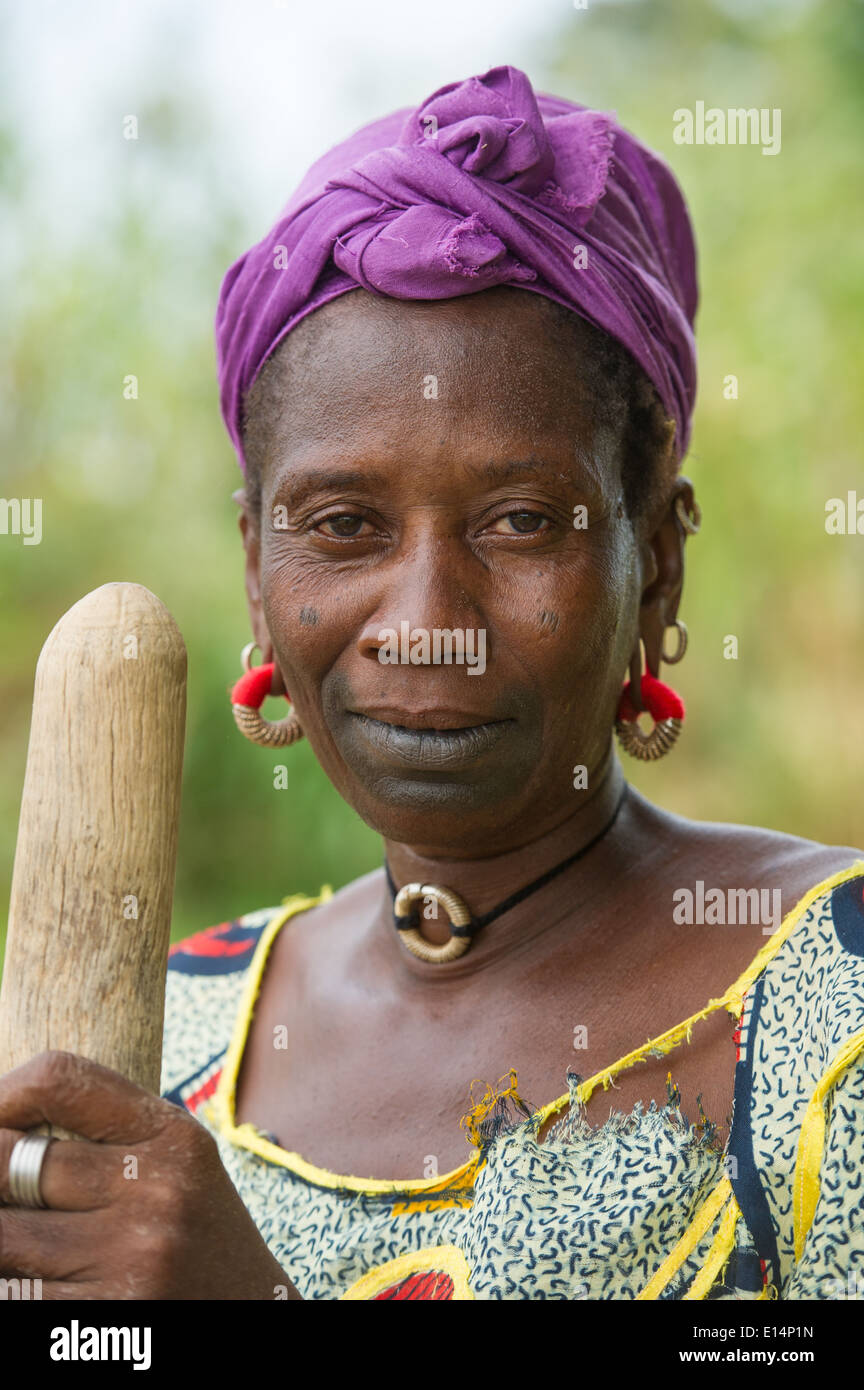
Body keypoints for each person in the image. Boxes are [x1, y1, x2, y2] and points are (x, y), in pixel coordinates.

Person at [1, 65, 862, 1302]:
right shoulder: (162, 1038)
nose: (427, 627)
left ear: (656, 563)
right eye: (344, 525)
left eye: (519, 522)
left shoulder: (831, 1012)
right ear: (256, 570)